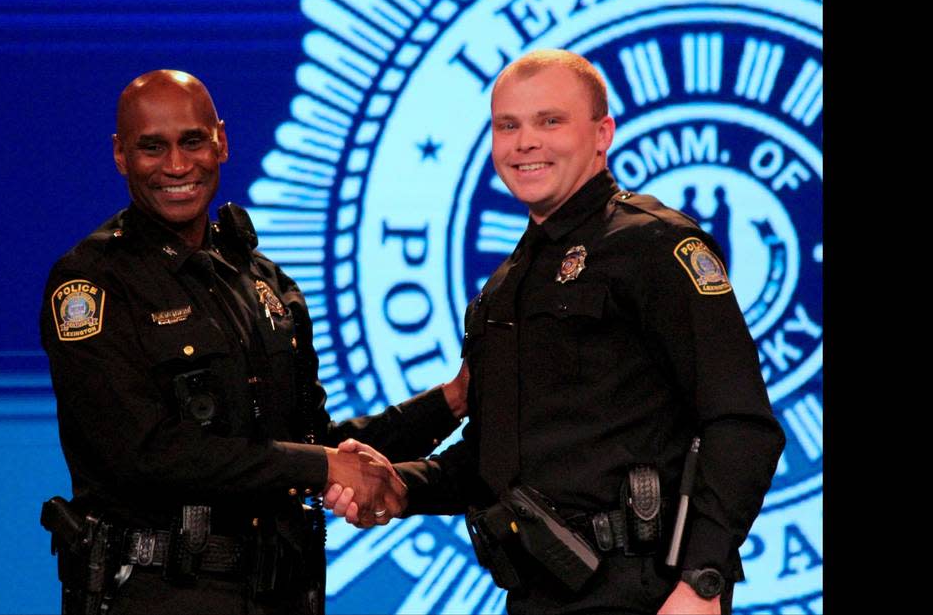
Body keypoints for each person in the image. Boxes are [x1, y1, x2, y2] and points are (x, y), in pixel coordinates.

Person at [327, 50, 785, 614]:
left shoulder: (656, 247)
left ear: (602, 133)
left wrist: (703, 580)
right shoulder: (505, 286)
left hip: (649, 594)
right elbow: (496, 459)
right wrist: (402, 487)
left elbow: (741, 424)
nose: (525, 142)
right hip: (538, 591)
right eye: (507, 125)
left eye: (550, 121)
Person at [39, 69, 466, 615]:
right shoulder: (94, 283)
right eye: (152, 148)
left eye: (192, 141)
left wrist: (450, 401)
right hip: (159, 595)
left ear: (221, 140)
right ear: (121, 155)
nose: (175, 166)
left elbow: (307, 440)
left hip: (281, 593)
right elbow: (144, 454)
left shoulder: (262, 281)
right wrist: (324, 467)